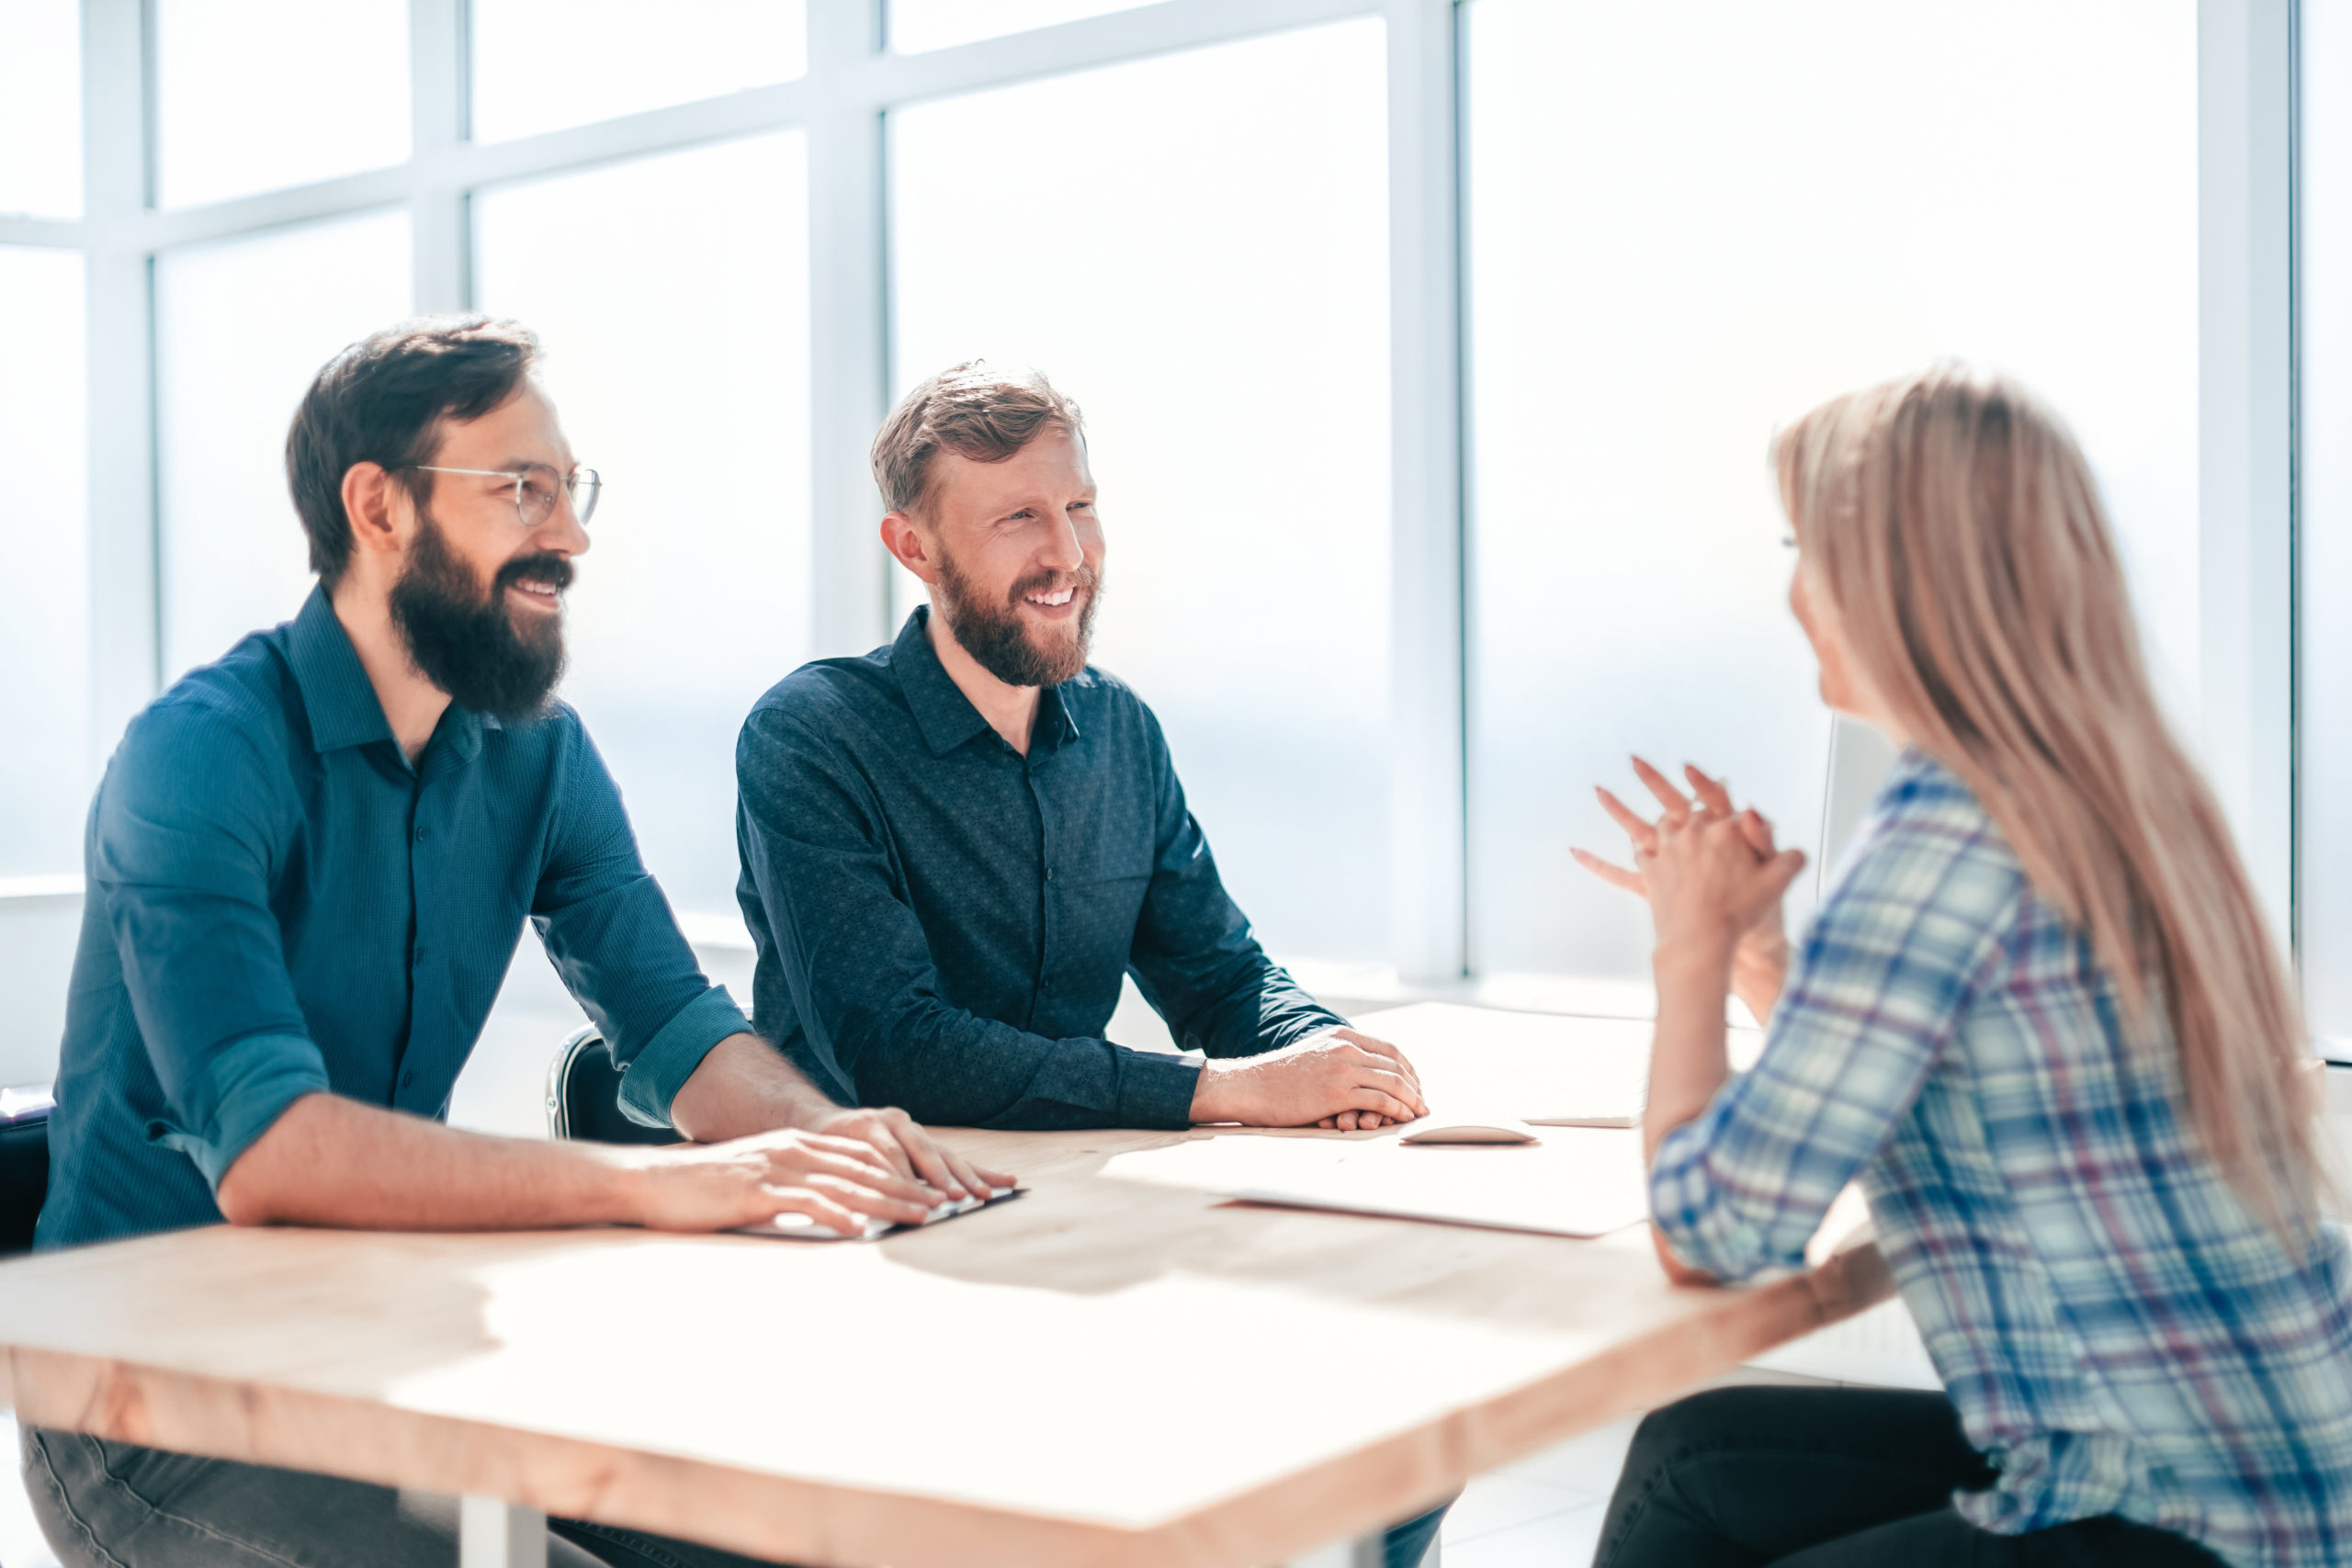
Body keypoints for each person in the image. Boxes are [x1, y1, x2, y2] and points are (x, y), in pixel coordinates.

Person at [25, 314, 1009, 1568]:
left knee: (814, 1538)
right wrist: (667, 1187)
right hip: (152, 1410)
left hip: (392, 1352)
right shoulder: (203, 753)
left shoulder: (537, 753)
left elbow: (676, 1027)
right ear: (377, 508)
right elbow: (273, 1155)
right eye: (520, 489)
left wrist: (836, 1148)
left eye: (570, 489)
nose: (571, 535)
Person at [1575, 365, 2352, 1567]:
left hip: (2184, 1525)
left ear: (1891, 581)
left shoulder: (1945, 840)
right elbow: (1933, 1080)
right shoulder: (2108, 794)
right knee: (1693, 1461)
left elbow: (1715, 1231)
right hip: (2273, 1469)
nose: (1790, 593)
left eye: (1804, 546)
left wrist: (1689, 951)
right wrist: (1766, 960)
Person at [730, 362, 1445, 1563]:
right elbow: (896, 1049)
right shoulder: (814, 738)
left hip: (1081, 1210)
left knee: (1400, 1419)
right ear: (913, 546)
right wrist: (1221, 1092)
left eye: (1079, 506)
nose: (1067, 552)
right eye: (1017, 518)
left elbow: (1217, 971)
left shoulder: (1119, 731)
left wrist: (1321, 1049)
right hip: (888, 1249)